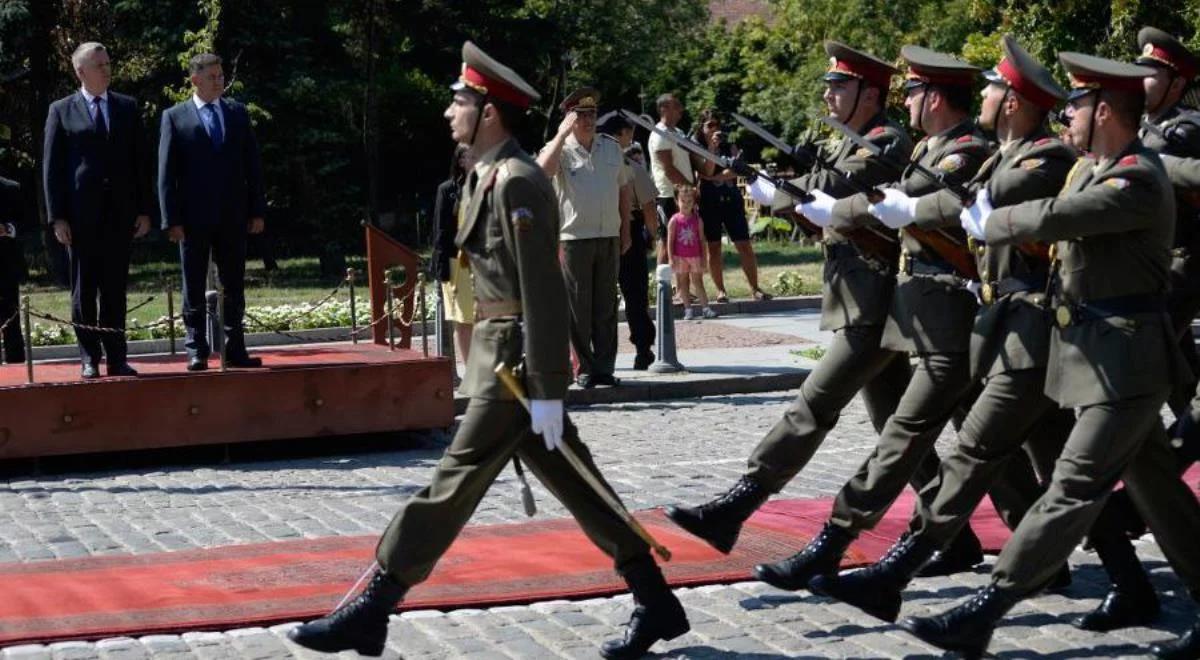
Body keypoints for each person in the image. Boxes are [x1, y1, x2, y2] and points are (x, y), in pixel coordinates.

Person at [287, 41, 690, 660]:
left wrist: (550, 387)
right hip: (500, 358)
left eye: (461, 101)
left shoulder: (520, 180)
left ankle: (374, 606)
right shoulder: (484, 176)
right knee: (577, 481)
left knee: (452, 480)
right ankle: (654, 597)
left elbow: (545, 289)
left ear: (489, 113)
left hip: (516, 366)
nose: (451, 112)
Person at [900, 51, 1200, 660]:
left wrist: (997, 222)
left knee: (1071, 485)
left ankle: (988, 606)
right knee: (1163, 499)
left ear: (1107, 112)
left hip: (1129, 366)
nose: (1067, 116)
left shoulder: (1138, 176)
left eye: (1078, 106)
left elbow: (1064, 217)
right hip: (1098, 362)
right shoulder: (1093, 167)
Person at [666, 42, 982, 573]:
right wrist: (784, 193)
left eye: (841, 86)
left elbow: (838, 189)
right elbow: (826, 204)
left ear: (869, 94)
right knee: (898, 431)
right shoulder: (850, 144)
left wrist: (786, 193)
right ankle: (957, 539)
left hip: (876, 306)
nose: (830, 94)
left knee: (814, 403)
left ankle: (738, 505)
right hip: (866, 300)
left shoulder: (886, 141)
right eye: (830, 86)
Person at [806, 35, 1079, 623]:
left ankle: (881, 561)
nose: (985, 92)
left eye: (995, 86)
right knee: (1039, 463)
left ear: (1013, 102)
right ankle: (1100, 571)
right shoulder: (997, 152)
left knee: (994, 456)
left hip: (1027, 332)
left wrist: (907, 205)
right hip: (992, 330)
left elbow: (967, 201)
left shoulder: (1039, 158)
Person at [43, 42, 150, 378]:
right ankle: (89, 357)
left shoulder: (127, 107)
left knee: (115, 289)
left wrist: (145, 210)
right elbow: (52, 167)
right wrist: (57, 216)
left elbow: (141, 163)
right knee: (84, 291)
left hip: (120, 215)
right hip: (80, 218)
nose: (106, 69)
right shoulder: (62, 110)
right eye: (99, 64)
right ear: (80, 72)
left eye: (108, 62)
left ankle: (117, 357)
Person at [158, 52, 267, 371]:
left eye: (221, 76)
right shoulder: (175, 116)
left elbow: (253, 166)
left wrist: (257, 210)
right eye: (212, 77)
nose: (219, 81)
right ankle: (196, 349)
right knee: (192, 284)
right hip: (192, 219)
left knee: (234, 283)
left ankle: (235, 348)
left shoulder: (237, 112)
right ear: (195, 80)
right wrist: (171, 219)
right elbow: (166, 174)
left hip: (233, 214)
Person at [538, 87, 631, 388]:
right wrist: (560, 136)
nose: (589, 120)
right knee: (578, 307)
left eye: (592, 114)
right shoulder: (560, 150)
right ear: (569, 119)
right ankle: (584, 368)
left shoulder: (610, 147)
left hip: (608, 236)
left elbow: (623, 188)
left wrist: (625, 229)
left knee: (606, 306)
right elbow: (542, 172)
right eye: (581, 115)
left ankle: (604, 366)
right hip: (574, 238)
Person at [692, 109, 771, 302]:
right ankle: (721, 291)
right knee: (714, 246)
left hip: (731, 197)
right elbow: (704, 170)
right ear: (702, 127)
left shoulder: (729, 143)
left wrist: (716, 176)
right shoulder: (697, 146)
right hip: (709, 200)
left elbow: (738, 169)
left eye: (717, 124)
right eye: (710, 125)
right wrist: (711, 148)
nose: (715, 129)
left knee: (743, 244)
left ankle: (755, 288)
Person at [599, 112, 658, 369]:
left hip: (601, 229)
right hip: (629, 230)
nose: (631, 137)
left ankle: (601, 352)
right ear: (619, 135)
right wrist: (653, 235)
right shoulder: (631, 168)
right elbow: (648, 207)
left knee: (602, 296)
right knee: (635, 294)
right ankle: (642, 349)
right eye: (628, 133)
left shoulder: (598, 168)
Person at [431, 144, 476, 366]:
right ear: (460, 161)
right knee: (464, 319)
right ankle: (470, 369)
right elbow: (440, 230)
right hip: (457, 263)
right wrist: (441, 268)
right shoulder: (447, 190)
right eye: (472, 155)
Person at [648, 93, 696, 257]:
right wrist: (689, 188)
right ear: (663, 109)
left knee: (684, 240)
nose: (681, 109)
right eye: (676, 106)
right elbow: (668, 169)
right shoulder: (660, 134)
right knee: (668, 241)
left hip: (684, 194)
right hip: (669, 195)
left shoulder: (678, 132)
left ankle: (681, 281)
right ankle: (664, 282)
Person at [667, 184, 716, 320]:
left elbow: (701, 240)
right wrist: (671, 258)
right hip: (679, 257)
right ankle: (688, 310)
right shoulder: (674, 220)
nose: (686, 204)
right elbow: (670, 242)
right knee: (682, 283)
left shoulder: (697, 220)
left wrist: (704, 257)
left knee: (698, 281)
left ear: (694, 203)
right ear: (677, 201)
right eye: (683, 201)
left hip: (695, 256)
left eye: (689, 201)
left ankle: (705, 308)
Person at [0, 175, 24, 363]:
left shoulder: (11, 188)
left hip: (6, 265)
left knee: (11, 317)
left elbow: (25, 223)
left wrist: (7, 229)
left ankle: (15, 363)